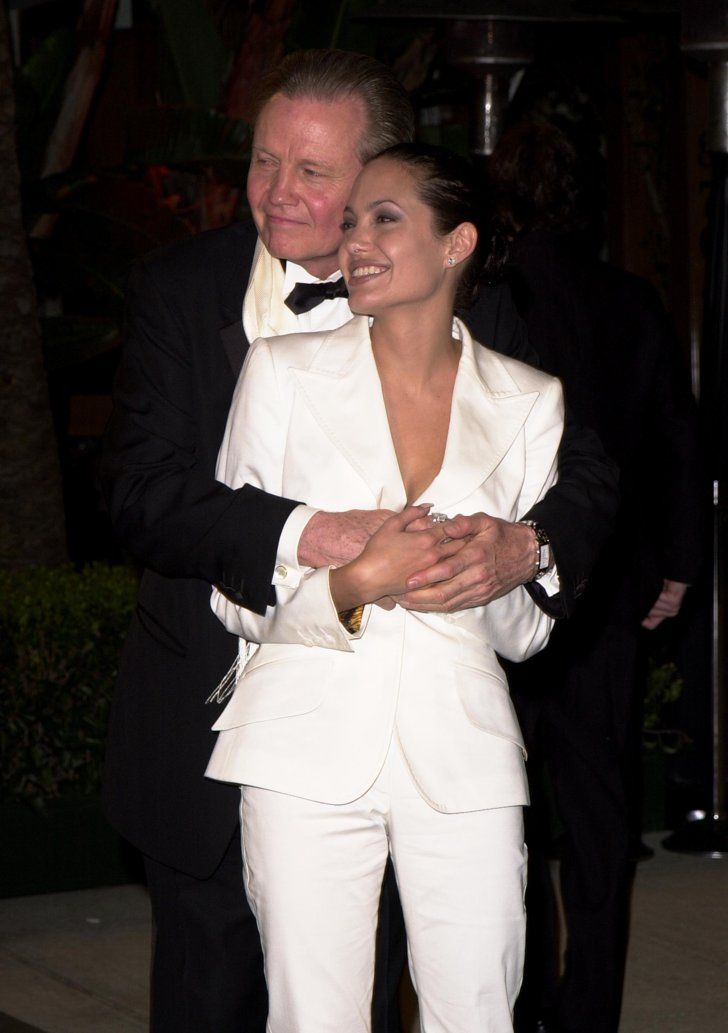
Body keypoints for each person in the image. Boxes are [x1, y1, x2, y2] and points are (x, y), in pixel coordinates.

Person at [100, 51, 617, 1033]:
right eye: (262, 161)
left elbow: (579, 462)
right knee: (216, 1001)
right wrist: (309, 534)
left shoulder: (465, 292)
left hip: (430, 737)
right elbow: (139, 487)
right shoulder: (178, 287)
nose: (275, 192)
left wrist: (529, 547)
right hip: (213, 717)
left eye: (311, 172)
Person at [205, 141, 564, 1033]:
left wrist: (492, 566)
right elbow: (233, 592)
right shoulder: (281, 371)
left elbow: (526, 635)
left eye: (386, 217)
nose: (354, 237)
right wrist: (353, 582)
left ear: (458, 243)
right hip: (301, 747)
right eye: (353, 216)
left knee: (479, 1015)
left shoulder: (529, 398)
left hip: (467, 754)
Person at [488, 121, 704, 1033]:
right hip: (606, 595)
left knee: (507, 814)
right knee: (600, 826)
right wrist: (679, 565)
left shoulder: (487, 298)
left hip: (501, 592)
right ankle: (586, 1016)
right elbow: (674, 449)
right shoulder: (631, 300)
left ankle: (524, 999)